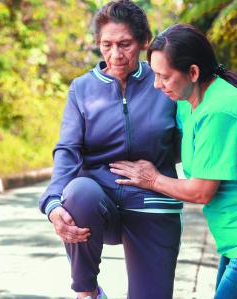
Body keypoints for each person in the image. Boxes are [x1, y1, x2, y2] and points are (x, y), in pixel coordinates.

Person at [110, 24, 237, 299]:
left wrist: (153, 179)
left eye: (164, 76)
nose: (157, 84)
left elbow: (201, 191)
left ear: (193, 72)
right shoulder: (189, 100)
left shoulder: (221, 110)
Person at [38, 2, 183, 299]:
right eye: (107, 45)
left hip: (152, 204)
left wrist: (158, 176)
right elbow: (67, 149)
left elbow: (190, 141)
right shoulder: (81, 89)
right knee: (78, 192)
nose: (116, 55)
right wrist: (52, 204)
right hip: (98, 203)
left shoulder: (164, 83)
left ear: (144, 42)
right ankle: (87, 292)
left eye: (125, 44)